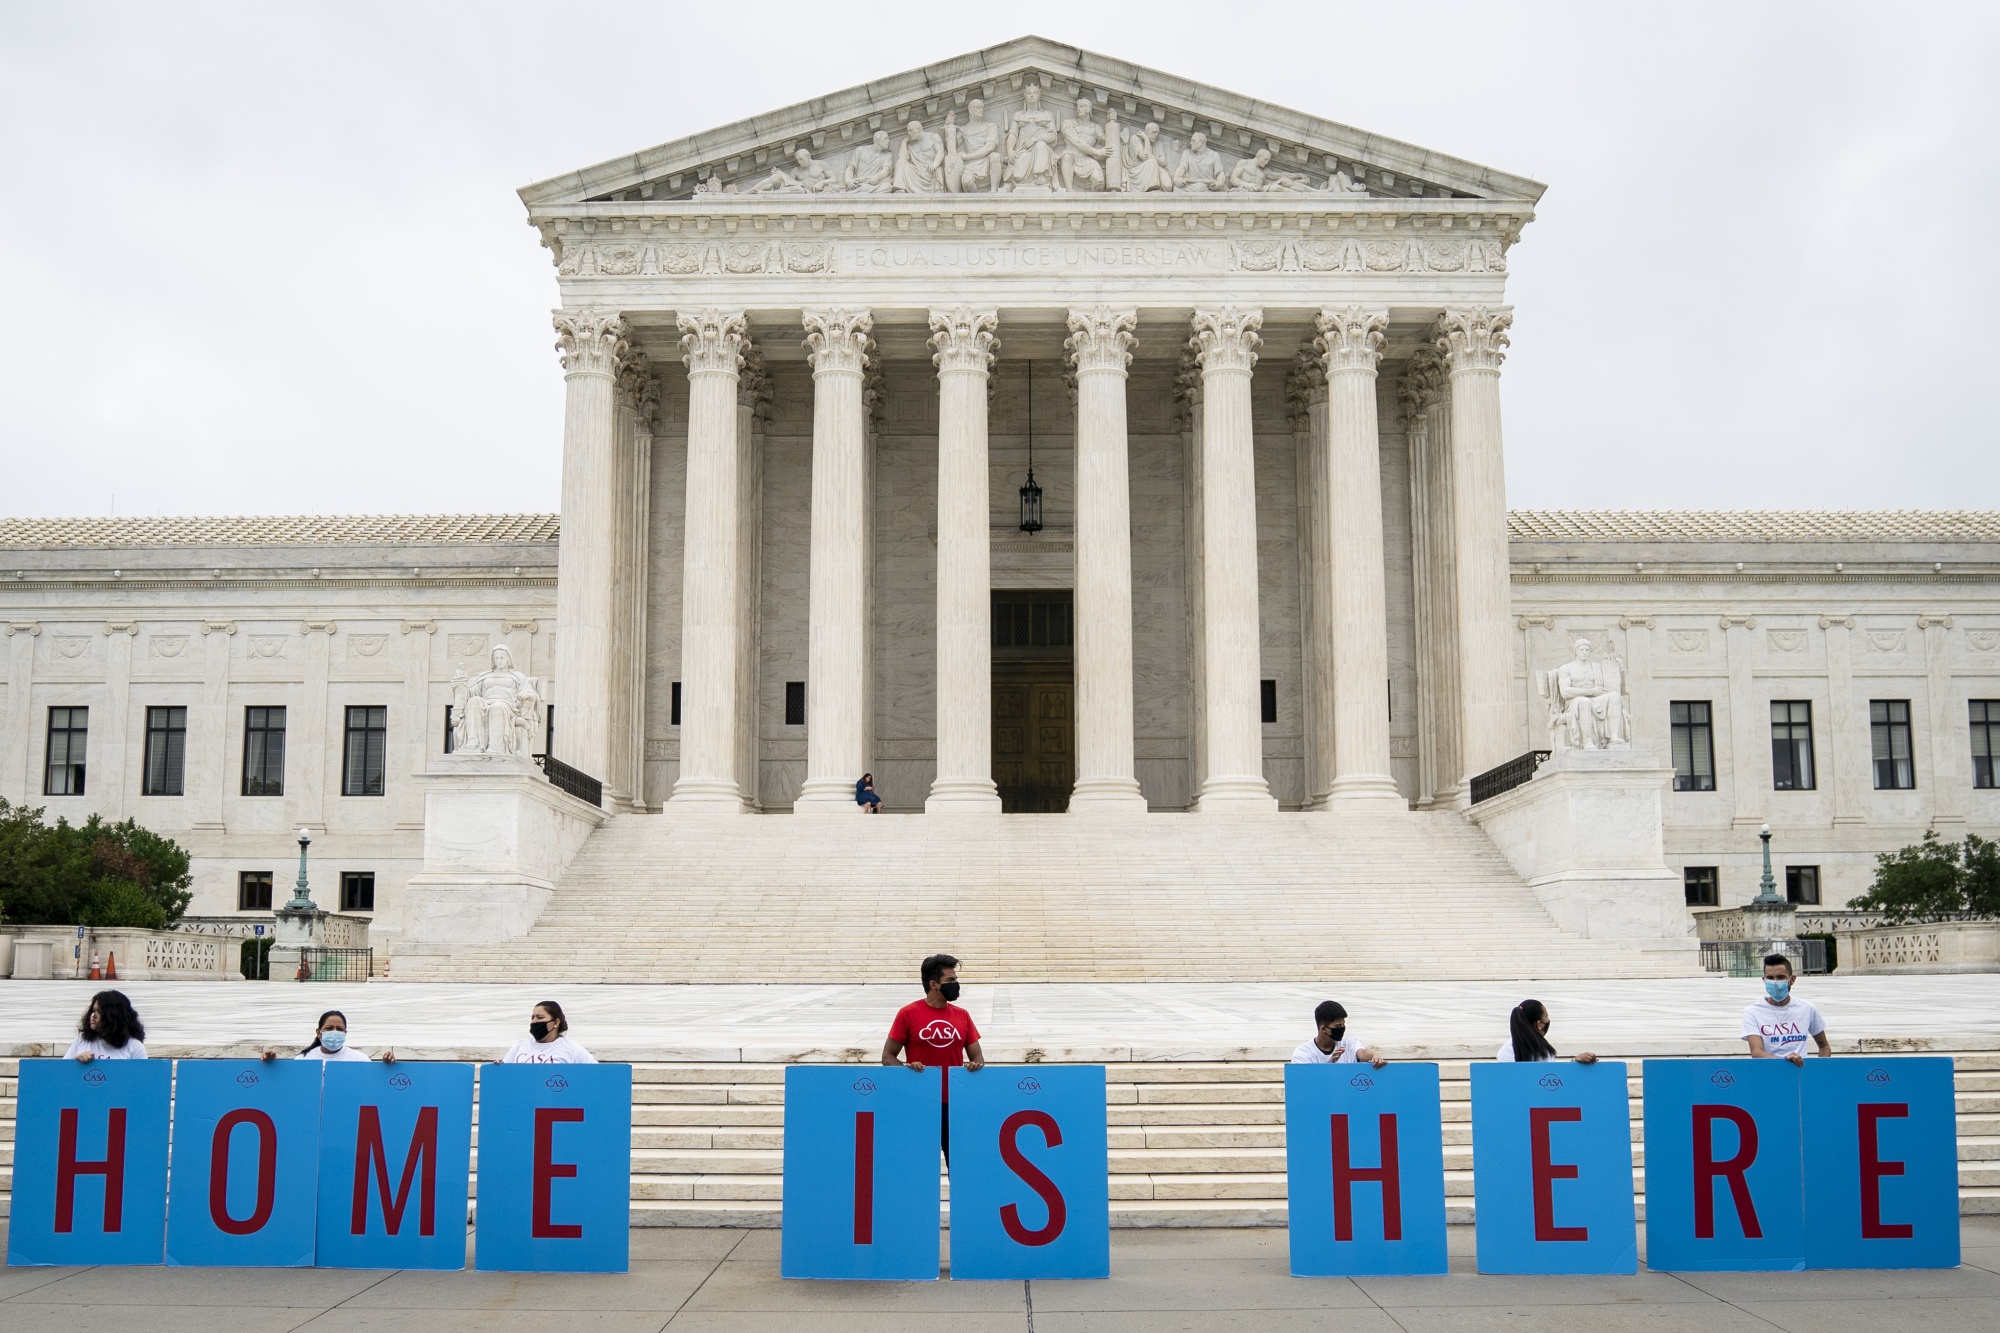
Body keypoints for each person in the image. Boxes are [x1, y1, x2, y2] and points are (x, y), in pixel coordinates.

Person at [882, 953, 984, 1165]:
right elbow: (887, 1056)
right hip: (920, 1101)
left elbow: (977, 1056)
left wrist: (975, 1065)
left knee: (959, 1164)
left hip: (955, 1102)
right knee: (918, 1165)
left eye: (956, 980)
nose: (956, 985)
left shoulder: (962, 1015)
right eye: (950, 980)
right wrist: (907, 1071)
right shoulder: (908, 1013)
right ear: (933, 984)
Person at [1743, 954, 1831, 1064]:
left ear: (1792, 979)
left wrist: (1820, 1069)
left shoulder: (1807, 1008)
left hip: (1799, 1074)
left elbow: (1824, 1046)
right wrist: (1785, 1062)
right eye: (1770, 978)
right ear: (1764, 980)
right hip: (1770, 1072)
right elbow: (1756, 1051)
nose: (1775, 982)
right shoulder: (1753, 1011)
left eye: (1780, 977)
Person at [261, 1009, 392, 1063]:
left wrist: (387, 1064)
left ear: (345, 1033)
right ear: (318, 1032)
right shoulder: (303, 1060)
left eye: (339, 1029)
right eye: (329, 1028)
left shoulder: (360, 1060)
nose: (334, 1032)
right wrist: (272, 1064)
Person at [1290, 1000, 1386, 1069]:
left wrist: (1373, 1055)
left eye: (1343, 1024)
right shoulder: (1303, 1053)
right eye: (1338, 1025)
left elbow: (1361, 1053)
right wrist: (1330, 1064)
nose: (1342, 1028)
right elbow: (1306, 1081)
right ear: (1323, 1029)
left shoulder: (1349, 1043)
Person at [1496, 999, 1598, 1063]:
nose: (1548, 1021)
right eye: (1546, 1016)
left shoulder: (1506, 1049)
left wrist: (1575, 1061)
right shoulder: (1511, 1050)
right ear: (1539, 1024)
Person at [502, 999, 596, 1064]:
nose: (534, 1021)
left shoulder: (572, 1048)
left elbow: (597, 1071)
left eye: (540, 1017)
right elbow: (504, 1073)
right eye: (533, 1017)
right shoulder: (520, 1045)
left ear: (556, 1022)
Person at [66, 989, 146, 1062]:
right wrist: (76, 1060)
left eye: (99, 1011)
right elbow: (62, 1070)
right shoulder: (82, 1039)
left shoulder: (134, 1046)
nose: (93, 1015)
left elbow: (143, 1075)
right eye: (93, 1010)